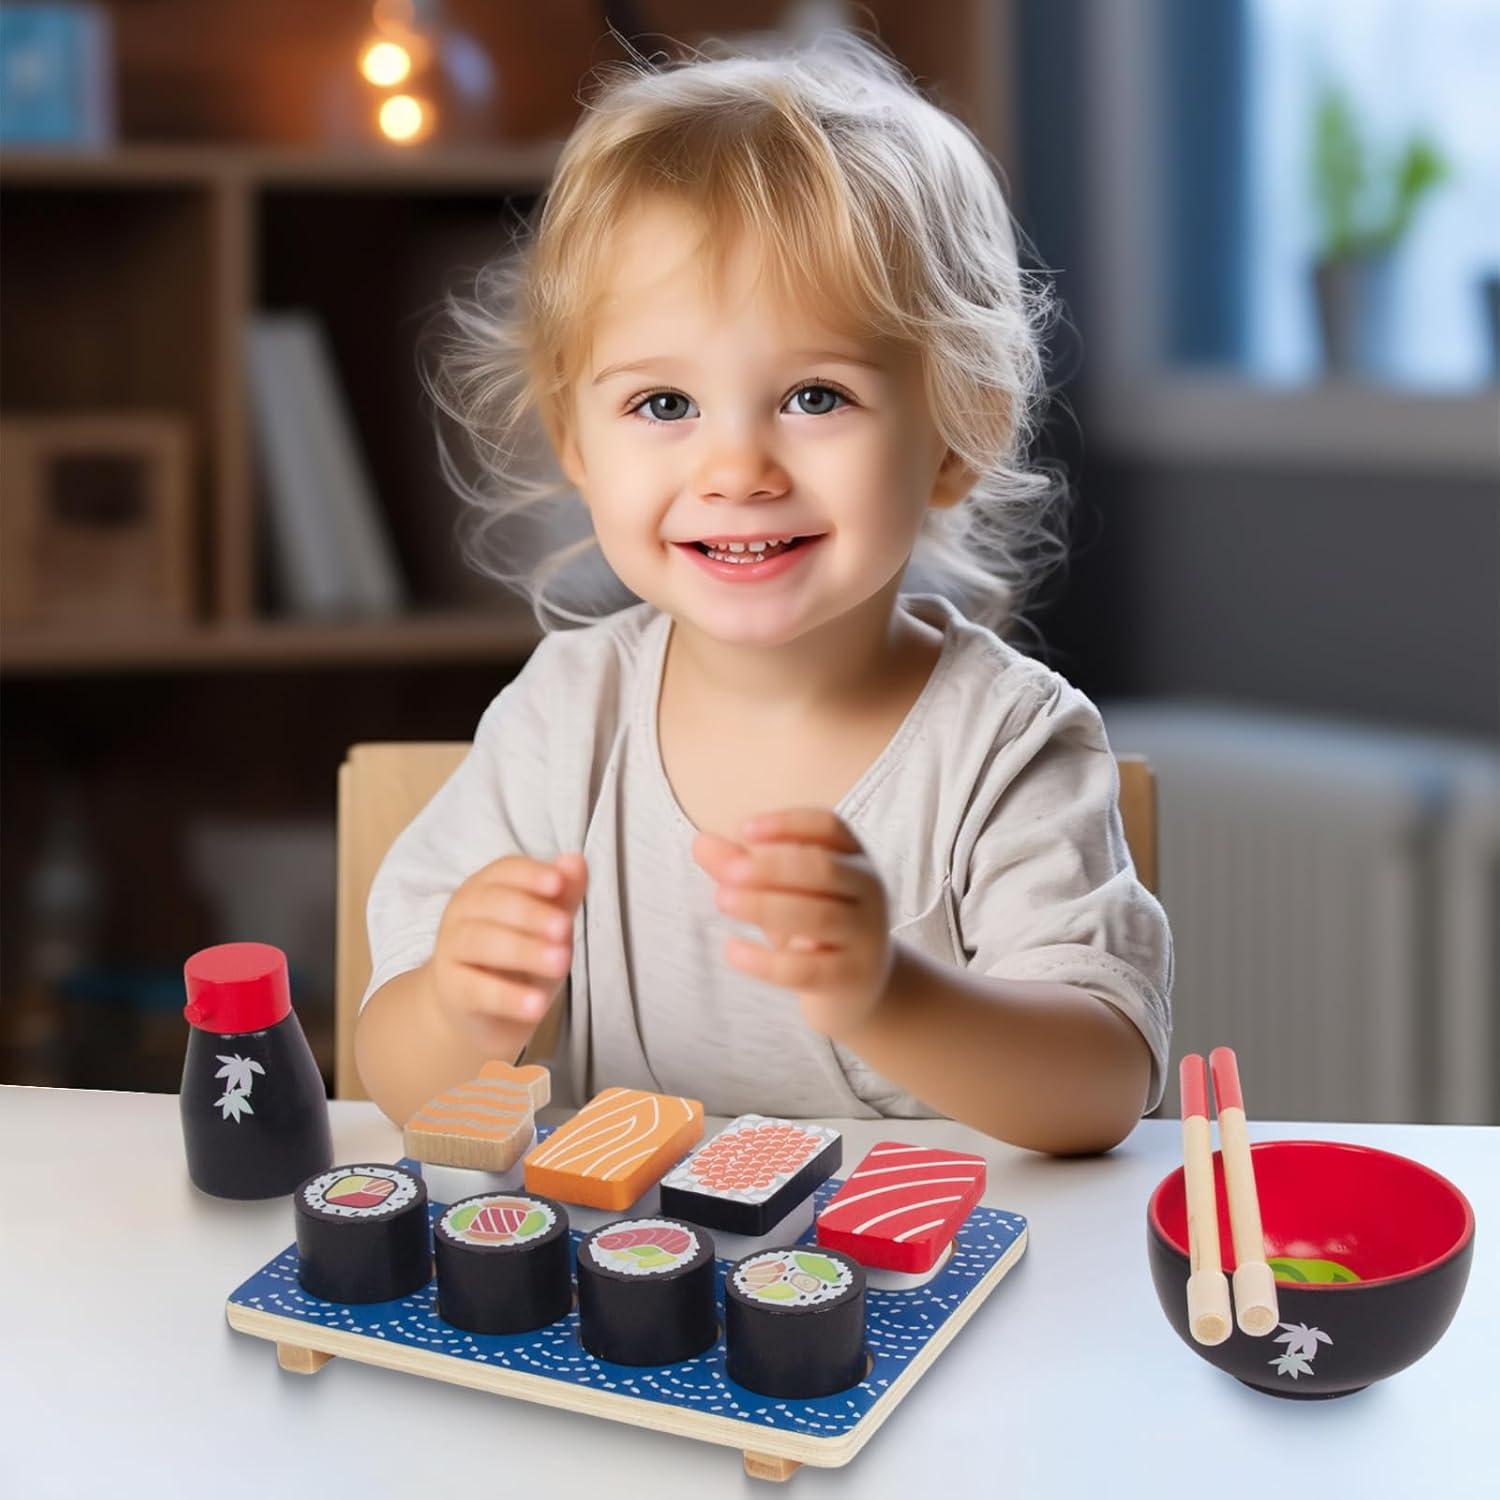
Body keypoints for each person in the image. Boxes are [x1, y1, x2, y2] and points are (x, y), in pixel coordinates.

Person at [355, 28, 1172, 1154]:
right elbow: (401, 1084)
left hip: (918, 1258)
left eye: (815, 396)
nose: (737, 470)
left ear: (957, 433)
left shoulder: (1006, 743)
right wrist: (459, 1010)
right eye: (663, 405)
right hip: (634, 1260)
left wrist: (887, 994)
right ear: (575, 441)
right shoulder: (562, 721)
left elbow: (1102, 1086)